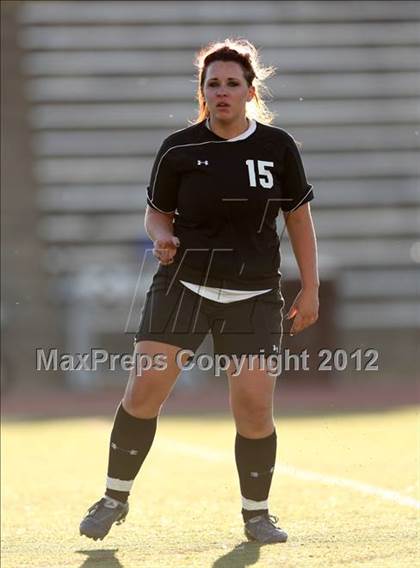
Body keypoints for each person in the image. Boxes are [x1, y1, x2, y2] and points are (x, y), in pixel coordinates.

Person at [80, 38, 319, 545]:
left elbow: (298, 218)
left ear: (250, 90)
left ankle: (257, 515)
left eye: (233, 83)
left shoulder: (278, 148)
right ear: (203, 92)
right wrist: (160, 236)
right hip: (184, 287)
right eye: (214, 84)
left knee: (254, 409)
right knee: (143, 394)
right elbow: (157, 211)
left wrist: (311, 288)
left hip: (254, 294)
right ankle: (113, 498)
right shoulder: (179, 147)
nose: (223, 92)